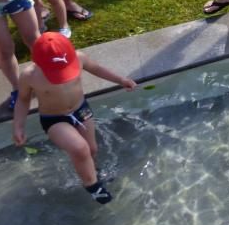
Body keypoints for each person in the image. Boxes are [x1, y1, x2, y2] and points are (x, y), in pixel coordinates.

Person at [13, 32, 137, 204]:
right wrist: (18, 125)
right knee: (79, 149)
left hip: (81, 110)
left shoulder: (79, 58)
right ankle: (92, 185)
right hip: (54, 119)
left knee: (91, 149)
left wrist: (120, 79)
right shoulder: (29, 76)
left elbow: (97, 68)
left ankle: (92, 172)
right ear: (37, 62)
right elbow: (23, 99)